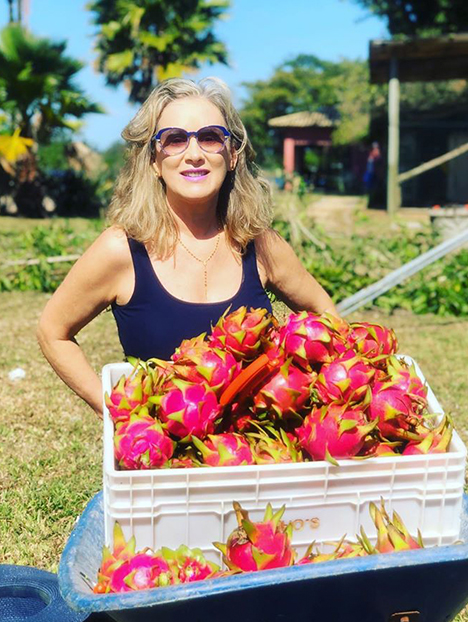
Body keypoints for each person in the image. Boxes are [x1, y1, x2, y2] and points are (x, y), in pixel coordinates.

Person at [36, 77, 339, 418]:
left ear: (233, 155)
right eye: (174, 139)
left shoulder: (262, 245)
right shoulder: (122, 250)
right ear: (154, 160)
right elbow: (53, 331)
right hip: (163, 464)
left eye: (210, 137)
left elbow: (325, 314)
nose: (193, 154)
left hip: (256, 458)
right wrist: (114, 412)